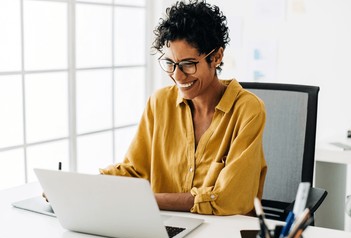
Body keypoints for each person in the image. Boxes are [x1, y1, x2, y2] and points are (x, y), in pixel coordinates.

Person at [100, 0, 267, 215]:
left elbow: (229, 198)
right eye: (170, 63)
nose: (177, 76)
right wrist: (86, 186)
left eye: (188, 64)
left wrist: (149, 200)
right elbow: (135, 170)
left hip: (225, 236)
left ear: (216, 57)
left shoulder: (248, 110)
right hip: (164, 228)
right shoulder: (159, 103)